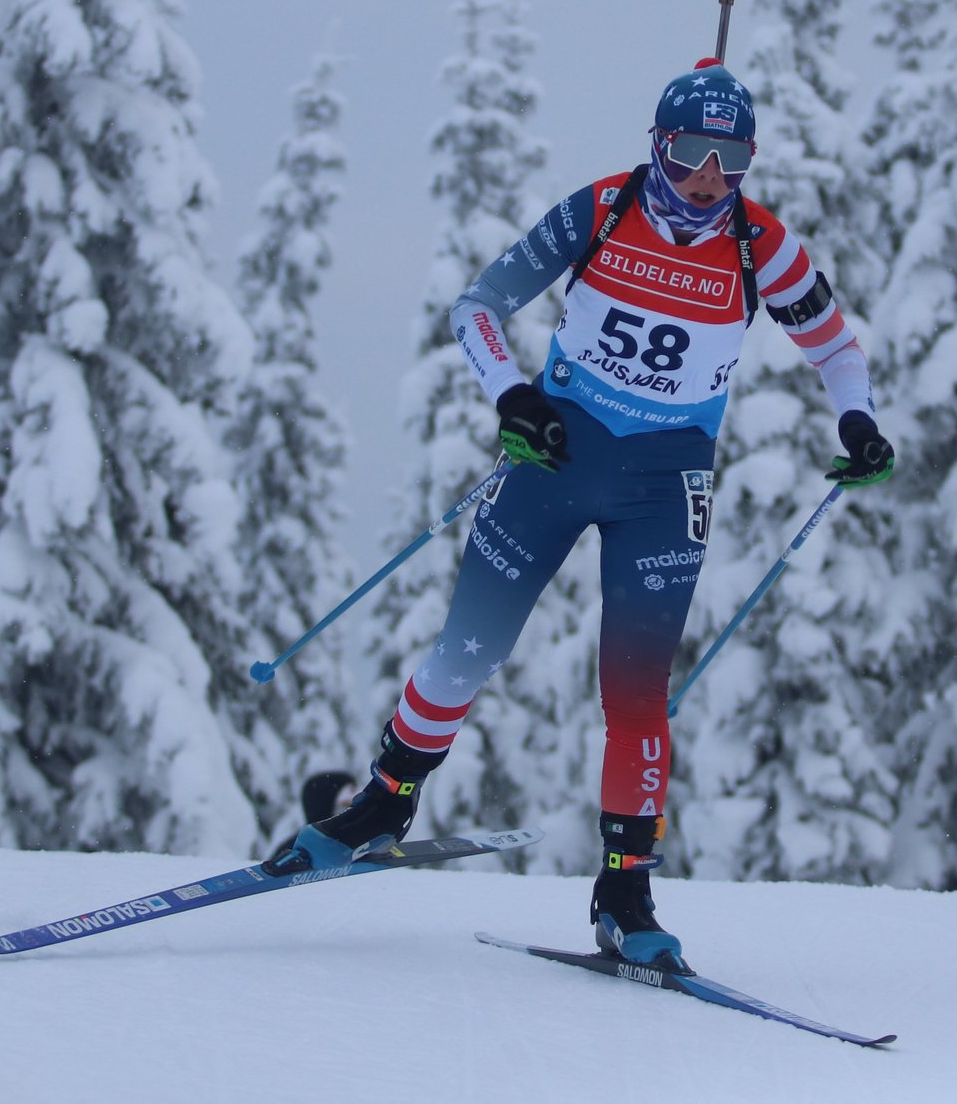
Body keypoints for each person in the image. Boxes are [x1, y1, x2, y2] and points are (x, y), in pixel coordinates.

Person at [265, 62, 895, 969]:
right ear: (657, 144)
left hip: (663, 486)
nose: (709, 178)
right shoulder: (601, 209)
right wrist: (511, 394)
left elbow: (834, 347)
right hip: (558, 459)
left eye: (732, 157)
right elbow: (477, 303)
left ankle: (625, 893)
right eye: (689, 153)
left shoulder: (762, 247)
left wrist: (859, 419)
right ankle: (382, 803)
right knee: (468, 647)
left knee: (637, 698)